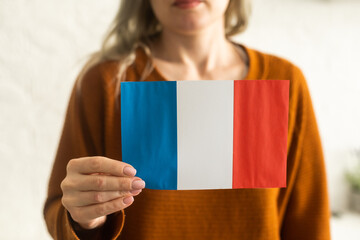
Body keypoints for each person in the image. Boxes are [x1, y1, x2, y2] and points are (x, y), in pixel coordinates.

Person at [44, 0, 331, 239]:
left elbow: (310, 223)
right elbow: (60, 211)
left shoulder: (285, 82)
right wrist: (83, 220)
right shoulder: (105, 84)